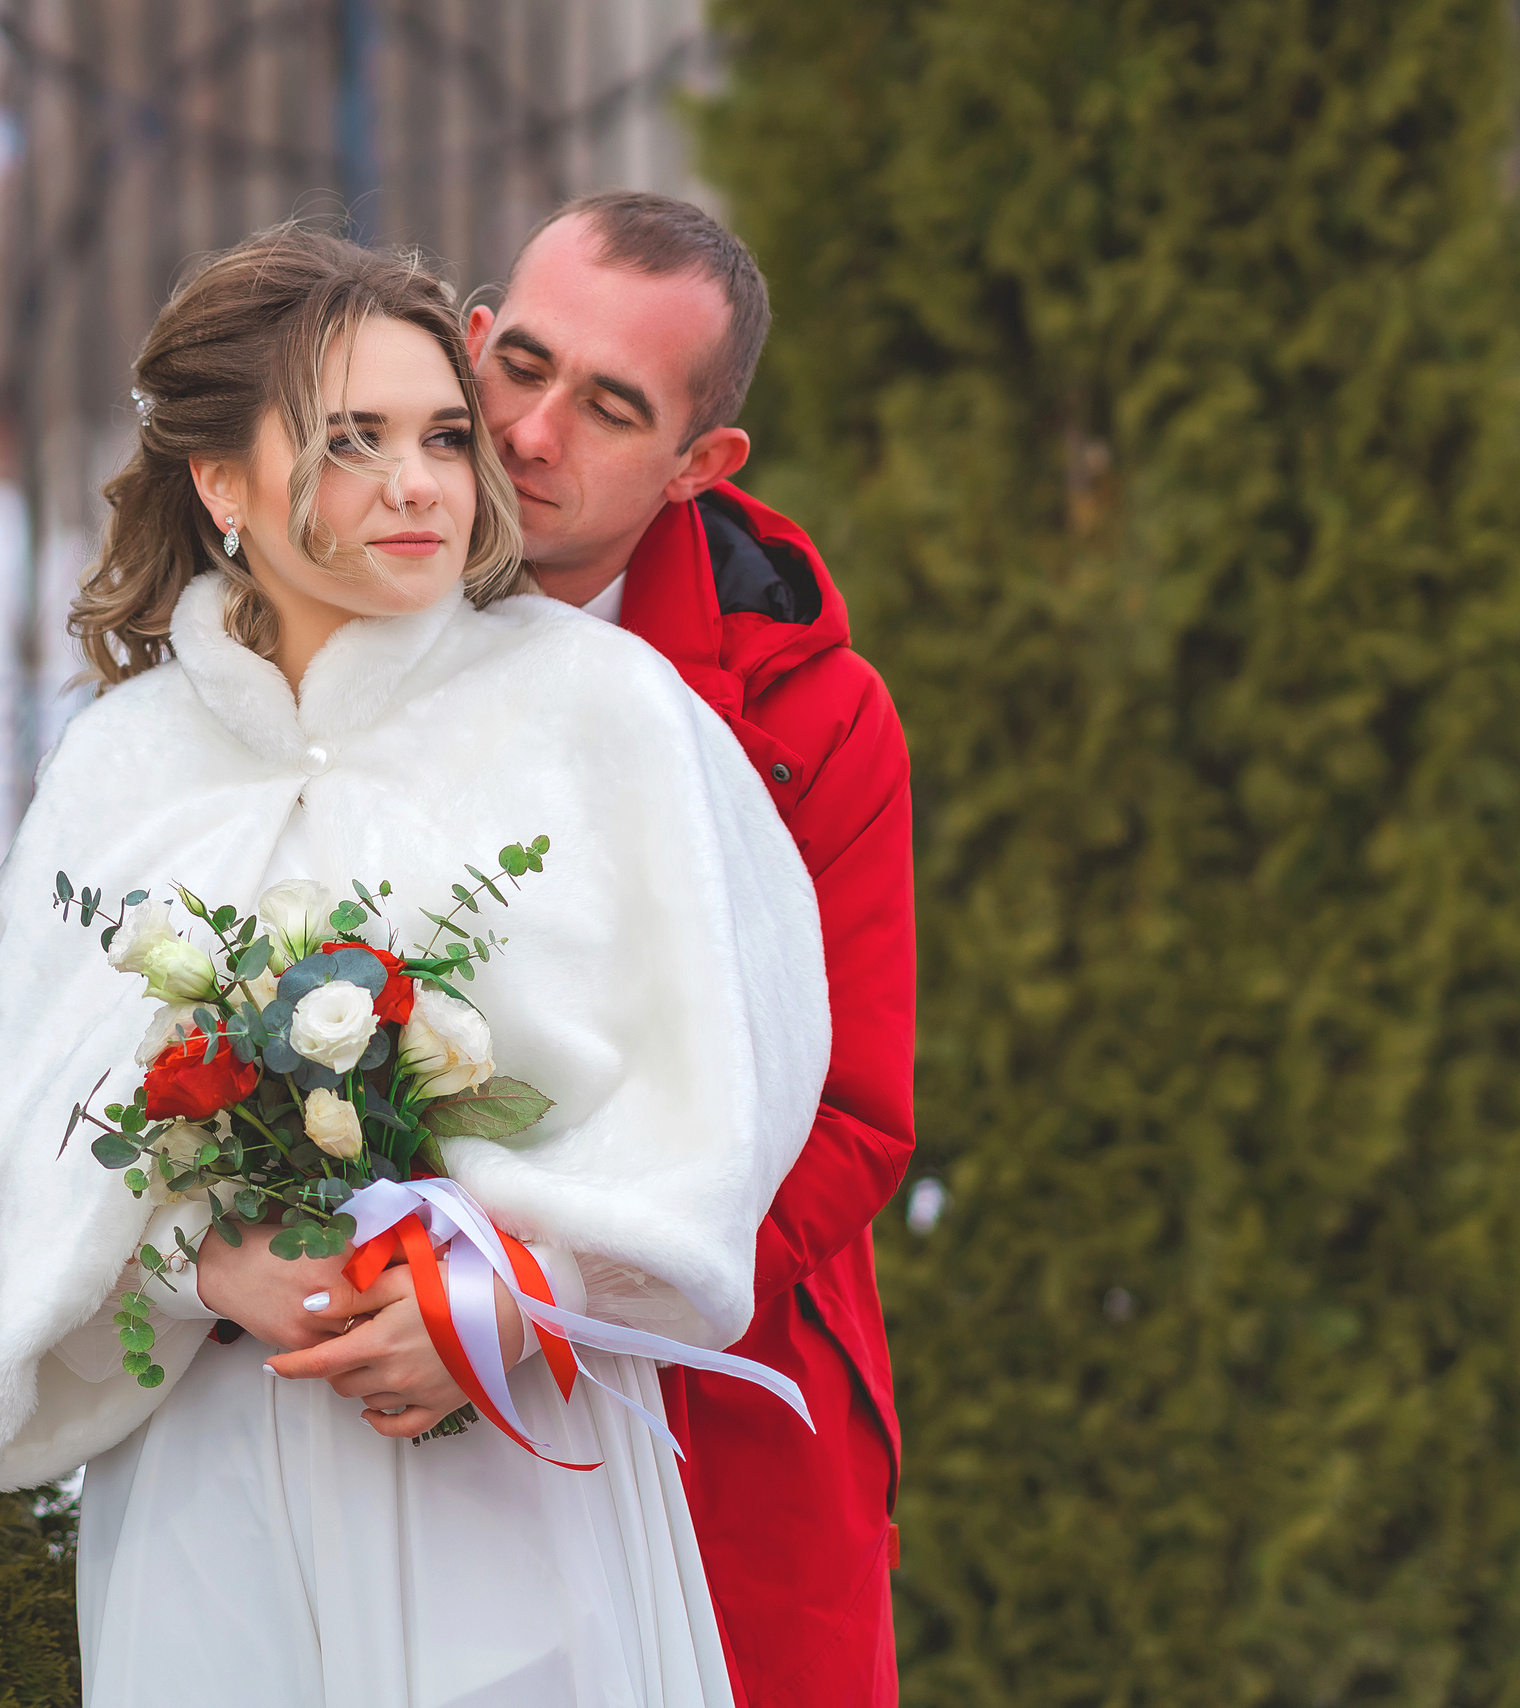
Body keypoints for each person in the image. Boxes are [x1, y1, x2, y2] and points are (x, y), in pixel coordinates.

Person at [0, 225, 831, 1707]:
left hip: (511, 1477)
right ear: (222, 483)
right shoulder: (119, 768)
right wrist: (201, 1264)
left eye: (439, 434)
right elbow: (24, 1146)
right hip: (210, 1495)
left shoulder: (607, 711)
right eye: (353, 442)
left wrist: (509, 1293)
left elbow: (730, 1094)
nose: (422, 484)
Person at [464, 190, 917, 1707]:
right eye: (517, 364)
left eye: (608, 405)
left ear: (699, 465)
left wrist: (550, 1304)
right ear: (468, 339)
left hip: (717, 1415)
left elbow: (849, 1122)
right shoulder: (313, 631)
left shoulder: (815, 719)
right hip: (382, 1416)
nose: (530, 431)